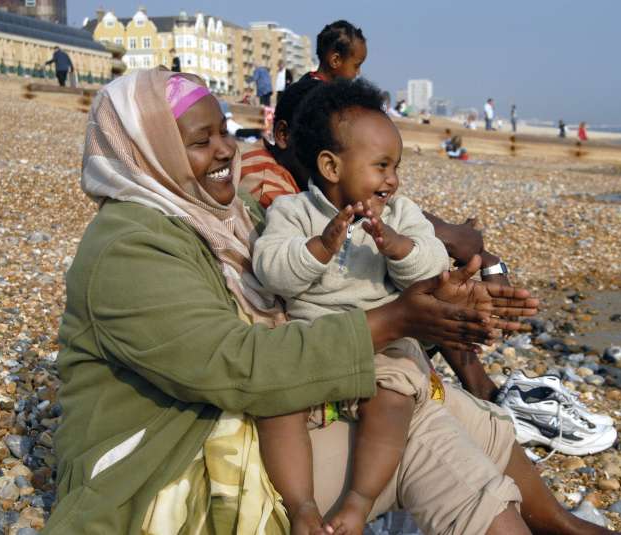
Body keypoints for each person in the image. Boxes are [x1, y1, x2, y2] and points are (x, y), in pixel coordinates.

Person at [42, 67, 559, 535]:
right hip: (172, 467)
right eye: (202, 141)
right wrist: (399, 319)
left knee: (460, 411)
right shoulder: (128, 249)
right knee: (420, 432)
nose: (226, 149)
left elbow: (325, 283)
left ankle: (563, 526)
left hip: (241, 416)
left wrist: (440, 299)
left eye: (224, 130)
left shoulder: (227, 215)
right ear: (148, 150)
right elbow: (240, 367)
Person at [253, 78, 453, 535]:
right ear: (331, 165)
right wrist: (320, 247)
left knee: (395, 400)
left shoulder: (400, 214)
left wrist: (399, 247)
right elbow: (271, 269)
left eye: (396, 166)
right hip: (311, 344)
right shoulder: (293, 212)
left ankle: (359, 501)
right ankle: (301, 506)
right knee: (275, 406)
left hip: (380, 347)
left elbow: (433, 264)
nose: (393, 179)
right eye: (381, 165)